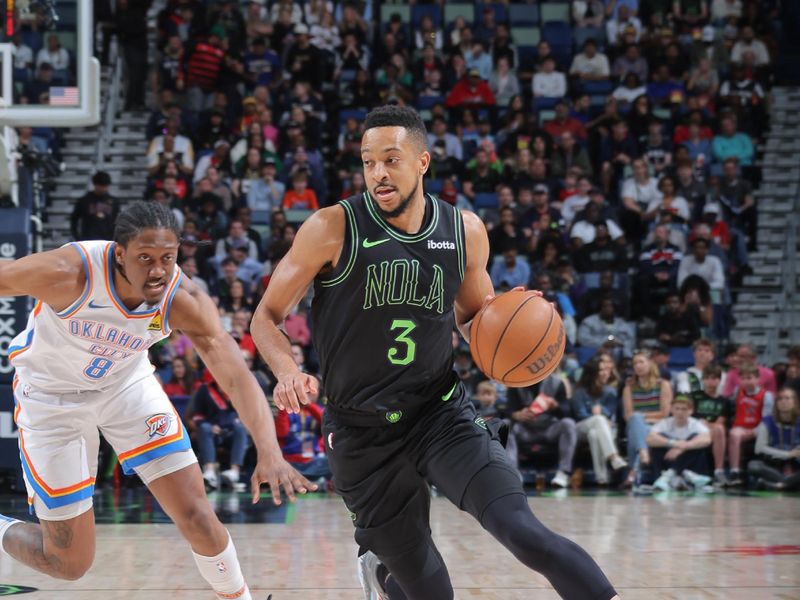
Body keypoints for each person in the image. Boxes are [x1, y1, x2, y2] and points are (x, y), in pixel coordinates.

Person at [251, 105, 619, 600]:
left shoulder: (463, 232)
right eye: (367, 162)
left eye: (391, 159)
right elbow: (266, 316)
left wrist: (510, 330)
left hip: (439, 414)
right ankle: (382, 570)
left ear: (422, 162)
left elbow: (472, 320)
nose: (378, 173)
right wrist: (286, 369)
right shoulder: (332, 228)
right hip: (361, 435)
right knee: (430, 590)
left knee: (524, 531)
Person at [0, 202, 315, 599]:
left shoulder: (181, 297)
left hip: (126, 387)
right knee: (69, 563)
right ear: (119, 254)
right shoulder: (69, 273)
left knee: (197, 515)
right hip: (51, 397)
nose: (157, 270)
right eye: (145, 258)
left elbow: (236, 376)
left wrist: (269, 451)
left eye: (167, 258)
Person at [571, 358, 628, 485]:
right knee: (598, 419)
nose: (606, 373)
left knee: (594, 434)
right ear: (592, 373)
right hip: (581, 428)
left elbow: (611, 413)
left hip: (602, 429)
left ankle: (601, 478)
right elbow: (580, 415)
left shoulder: (611, 392)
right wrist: (596, 414)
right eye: (601, 370)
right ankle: (614, 457)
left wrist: (601, 413)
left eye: (607, 370)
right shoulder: (580, 391)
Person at [622, 350, 672, 486]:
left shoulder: (663, 385)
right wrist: (639, 419)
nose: (638, 366)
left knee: (637, 424)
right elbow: (628, 415)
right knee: (637, 425)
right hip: (637, 425)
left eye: (641, 362)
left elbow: (665, 413)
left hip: (659, 425)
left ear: (650, 364)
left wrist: (642, 416)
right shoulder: (629, 388)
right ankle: (642, 455)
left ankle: (633, 471)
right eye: (635, 363)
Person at [646, 395, 712, 490]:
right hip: (667, 460)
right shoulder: (664, 423)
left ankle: (671, 474)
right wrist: (673, 443)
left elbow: (706, 440)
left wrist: (683, 447)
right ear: (672, 410)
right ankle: (682, 474)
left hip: (689, 464)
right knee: (659, 440)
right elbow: (650, 439)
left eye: (684, 409)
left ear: (691, 411)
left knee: (695, 438)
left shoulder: (696, 424)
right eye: (677, 409)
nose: (680, 412)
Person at [727, 363, 774, 486]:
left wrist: (755, 431)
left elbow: (767, 419)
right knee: (734, 434)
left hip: (759, 428)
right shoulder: (737, 392)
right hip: (741, 427)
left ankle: (762, 475)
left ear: (758, 379)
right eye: (743, 378)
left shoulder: (766, 395)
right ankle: (735, 472)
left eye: (749, 378)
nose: (746, 381)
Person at [747, 387, 800, 490]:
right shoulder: (768, 420)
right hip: (773, 464)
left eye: (787, 398)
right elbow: (759, 448)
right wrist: (788, 454)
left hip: (796, 465)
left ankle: (778, 485)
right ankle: (787, 484)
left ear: (795, 401)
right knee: (753, 465)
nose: (783, 401)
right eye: (780, 399)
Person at [69, 172, 119, 241]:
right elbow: (74, 220)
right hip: (88, 240)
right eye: (101, 185)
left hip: (108, 240)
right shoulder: (84, 201)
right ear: (95, 184)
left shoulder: (114, 202)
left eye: (105, 186)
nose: (103, 188)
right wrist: (77, 237)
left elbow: (118, 222)